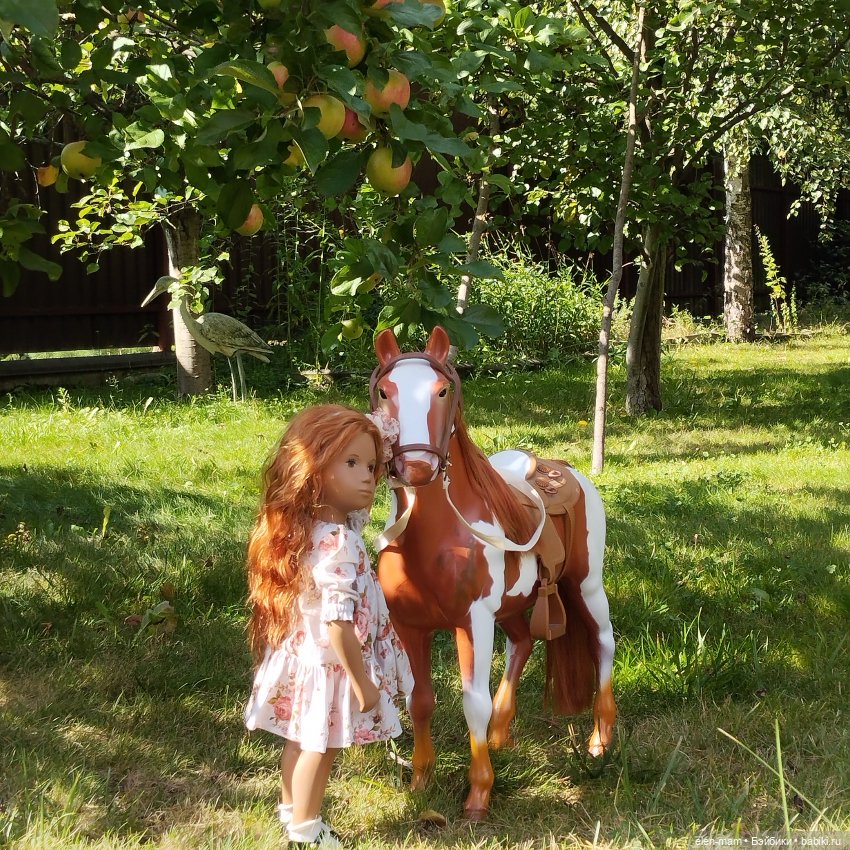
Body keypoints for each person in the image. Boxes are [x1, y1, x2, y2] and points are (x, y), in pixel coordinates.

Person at [244, 404, 412, 848]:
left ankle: (289, 808)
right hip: (334, 665)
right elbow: (340, 624)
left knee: (300, 739)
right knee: (321, 747)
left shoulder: (313, 527)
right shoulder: (338, 545)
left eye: (372, 466)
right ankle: (306, 828)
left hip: (307, 656)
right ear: (313, 468)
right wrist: (363, 685)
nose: (366, 477)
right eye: (351, 462)